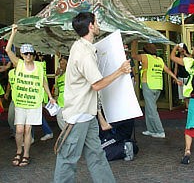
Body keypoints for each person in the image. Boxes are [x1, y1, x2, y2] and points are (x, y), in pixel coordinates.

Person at [53, 12, 131, 183]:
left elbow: (91, 88)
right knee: (68, 157)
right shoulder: (84, 53)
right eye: (97, 22)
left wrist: (99, 116)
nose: (98, 25)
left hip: (87, 115)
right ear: (90, 26)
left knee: (96, 154)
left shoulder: (83, 47)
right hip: (78, 116)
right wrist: (120, 71)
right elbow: (96, 85)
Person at [5, 24, 55, 167]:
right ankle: (18, 151)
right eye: (26, 53)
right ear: (22, 54)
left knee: (28, 129)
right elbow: (8, 50)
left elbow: (43, 81)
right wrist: (13, 33)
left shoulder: (39, 67)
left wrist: (50, 96)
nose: (28, 56)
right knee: (19, 130)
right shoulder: (18, 64)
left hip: (33, 104)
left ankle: (26, 153)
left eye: (30, 54)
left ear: (33, 54)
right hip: (20, 103)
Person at [132, 42, 181, 138]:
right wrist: (175, 78)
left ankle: (160, 131)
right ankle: (151, 130)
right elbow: (167, 70)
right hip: (158, 86)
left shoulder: (145, 56)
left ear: (145, 51)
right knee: (149, 108)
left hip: (148, 84)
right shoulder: (159, 59)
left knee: (152, 109)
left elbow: (133, 55)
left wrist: (134, 42)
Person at [173, 43, 190, 110]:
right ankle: (187, 106)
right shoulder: (177, 56)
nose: (179, 49)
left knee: (189, 92)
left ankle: (190, 105)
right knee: (183, 92)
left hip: (188, 76)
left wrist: (185, 54)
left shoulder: (188, 56)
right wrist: (175, 77)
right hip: (181, 76)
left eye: (180, 48)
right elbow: (176, 67)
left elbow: (192, 59)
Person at [54, 55, 68, 130]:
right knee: (60, 118)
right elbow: (56, 88)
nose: (61, 66)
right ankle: (67, 135)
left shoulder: (70, 74)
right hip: (61, 102)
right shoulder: (60, 77)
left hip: (70, 102)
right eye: (60, 64)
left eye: (63, 63)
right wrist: (56, 76)